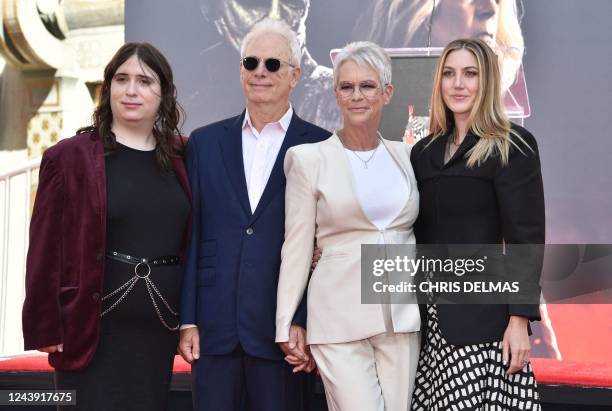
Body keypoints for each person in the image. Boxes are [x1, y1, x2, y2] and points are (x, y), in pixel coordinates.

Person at [21, 42, 190, 411]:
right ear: (108, 88)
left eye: (145, 81)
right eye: (121, 79)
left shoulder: (185, 156)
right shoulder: (69, 158)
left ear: (163, 93)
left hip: (158, 333)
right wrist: (45, 325)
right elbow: (44, 250)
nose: (131, 90)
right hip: (88, 333)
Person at [178, 18, 330, 411]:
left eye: (273, 64)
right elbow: (193, 234)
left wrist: (304, 320)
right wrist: (188, 319)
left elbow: (325, 248)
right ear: (240, 69)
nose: (260, 72)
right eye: (251, 62)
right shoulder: (205, 142)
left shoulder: (322, 146)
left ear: (295, 75)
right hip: (214, 330)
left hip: (282, 336)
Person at [276, 41, 421, 411]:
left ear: (387, 93)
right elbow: (296, 245)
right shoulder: (309, 160)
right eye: (346, 86)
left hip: (401, 320)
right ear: (336, 93)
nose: (357, 95)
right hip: (338, 320)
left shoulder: (408, 157)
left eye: (367, 86)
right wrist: (286, 322)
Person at [409, 38, 544, 410]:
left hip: (484, 323)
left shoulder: (512, 146)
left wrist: (519, 319)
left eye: (470, 74)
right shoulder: (423, 152)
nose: (458, 84)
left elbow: (525, 238)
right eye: (449, 74)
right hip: (429, 322)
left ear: (487, 82)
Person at [195, 0, 342, 131]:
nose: (275, 16)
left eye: (292, 1)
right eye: (254, 2)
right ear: (212, 9)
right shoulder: (196, 114)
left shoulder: (342, 102)